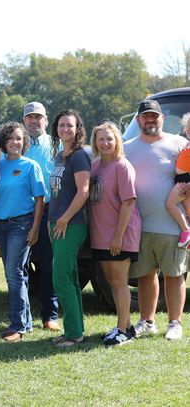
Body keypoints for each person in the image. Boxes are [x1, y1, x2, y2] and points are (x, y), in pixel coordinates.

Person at [124, 100, 187, 340]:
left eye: (154, 116)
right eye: (145, 116)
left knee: (174, 273)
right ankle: (147, 321)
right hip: (139, 224)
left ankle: (175, 323)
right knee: (145, 274)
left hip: (172, 223)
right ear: (138, 119)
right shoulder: (127, 147)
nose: (150, 120)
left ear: (162, 119)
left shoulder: (179, 143)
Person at [88, 122, 141, 346]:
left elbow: (128, 203)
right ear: (95, 142)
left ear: (117, 140)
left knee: (119, 282)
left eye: (109, 138)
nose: (105, 143)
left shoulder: (123, 166)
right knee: (110, 280)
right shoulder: (95, 166)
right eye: (101, 139)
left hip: (120, 233)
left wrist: (118, 236)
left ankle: (122, 331)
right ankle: (126, 325)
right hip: (100, 233)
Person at [0, 122, 44, 342]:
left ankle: (17, 326)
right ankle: (27, 322)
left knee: (13, 275)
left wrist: (34, 229)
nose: (15, 142)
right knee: (18, 274)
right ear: (4, 141)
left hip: (21, 225)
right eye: (11, 138)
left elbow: (40, 199)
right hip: (0, 226)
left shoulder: (31, 166)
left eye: (19, 139)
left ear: (25, 143)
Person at [48, 109, 90, 348]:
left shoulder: (79, 156)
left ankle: (74, 335)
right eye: (62, 125)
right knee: (70, 279)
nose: (65, 129)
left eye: (70, 125)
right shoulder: (60, 156)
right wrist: (50, 221)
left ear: (77, 129)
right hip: (57, 224)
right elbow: (57, 193)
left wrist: (63, 219)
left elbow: (83, 192)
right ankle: (74, 330)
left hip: (71, 225)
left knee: (60, 278)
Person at [22, 102, 60, 331]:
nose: (34, 121)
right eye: (30, 118)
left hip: (48, 209)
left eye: (39, 117)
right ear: (24, 121)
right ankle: (22, 316)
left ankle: (50, 315)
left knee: (48, 265)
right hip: (23, 211)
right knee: (21, 266)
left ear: (46, 121)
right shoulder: (18, 144)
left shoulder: (55, 145)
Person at [165, 112, 190, 248]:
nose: (188, 130)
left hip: (186, 181)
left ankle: (186, 231)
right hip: (182, 179)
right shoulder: (186, 144)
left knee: (170, 204)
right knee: (188, 210)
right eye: (188, 127)